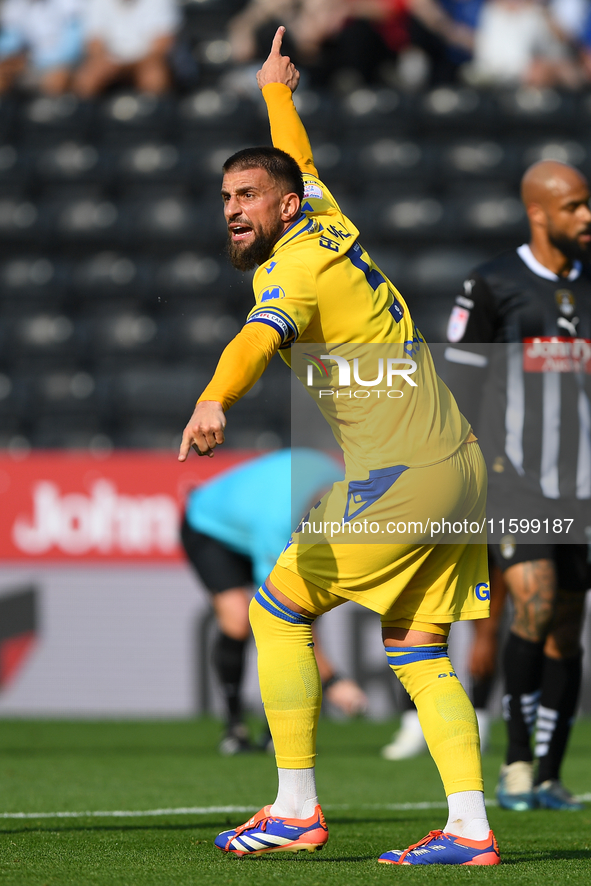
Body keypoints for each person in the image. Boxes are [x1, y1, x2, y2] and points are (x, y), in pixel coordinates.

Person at [178, 28, 499, 866]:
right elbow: (297, 160)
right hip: (457, 467)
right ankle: (469, 830)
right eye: (224, 197)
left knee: (275, 608)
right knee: (417, 649)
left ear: (282, 208)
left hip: (406, 475)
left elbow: (256, 340)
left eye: (247, 194)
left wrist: (213, 396)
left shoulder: (290, 270)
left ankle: (293, 810)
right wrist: (276, 92)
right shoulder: (323, 217)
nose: (233, 209)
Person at [444, 159, 591, 811]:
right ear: (539, 213)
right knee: (531, 601)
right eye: (574, 207)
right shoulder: (491, 284)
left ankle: (550, 775)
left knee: (566, 626)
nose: (586, 217)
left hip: (583, 487)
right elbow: (462, 387)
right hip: (515, 482)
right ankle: (512, 764)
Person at [181, 447, 368, 755]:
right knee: (240, 620)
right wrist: (333, 679)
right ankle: (234, 728)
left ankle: (273, 732)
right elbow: (280, 610)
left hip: (253, 522)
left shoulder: (347, 490)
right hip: (208, 527)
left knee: (299, 611)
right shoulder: (279, 522)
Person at [381, 553, 507, 759]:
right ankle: (414, 725)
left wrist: (487, 635)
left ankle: (480, 723)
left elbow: (498, 566)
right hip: (429, 556)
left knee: (486, 638)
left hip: (474, 559)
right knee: (409, 626)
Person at [74, 0, 179, 98]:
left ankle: (153, 114)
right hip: (109, 61)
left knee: (155, 77)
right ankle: (86, 115)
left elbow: (161, 45)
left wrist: (130, 64)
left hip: (145, 60)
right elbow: (94, 43)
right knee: (86, 80)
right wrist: (108, 61)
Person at [0, 0, 83, 96]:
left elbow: (71, 51)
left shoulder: (69, 3)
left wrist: (30, 61)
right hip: (28, 65)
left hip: (61, 64)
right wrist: (10, 61)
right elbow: (9, 43)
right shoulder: (15, 4)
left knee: (57, 81)